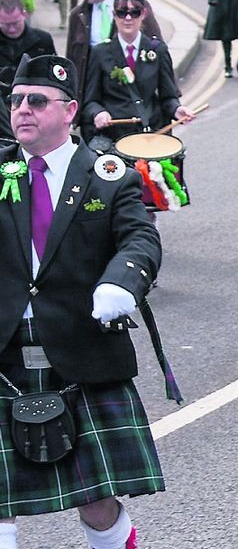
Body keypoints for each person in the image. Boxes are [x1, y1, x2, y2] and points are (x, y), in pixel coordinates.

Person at [0, 53, 163, 549]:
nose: (22, 110)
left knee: (96, 499)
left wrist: (122, 283)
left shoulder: (108, 175)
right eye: (15, 101)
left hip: (82, 345)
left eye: (35, 101)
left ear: (69, 111)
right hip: (6, 351)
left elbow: (140, 239)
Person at [81, 0, 195, 145]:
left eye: (135, 12)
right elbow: (90, 101)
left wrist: (177, 109)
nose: (128, 18)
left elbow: (168, 97)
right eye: (122, 12)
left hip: (152, 136)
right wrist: (98, 113)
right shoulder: (100, 53)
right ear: (114, 14)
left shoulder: (158, 50)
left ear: (144, 14)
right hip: (115, 138)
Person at [67, 0, 162, 95]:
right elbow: (71, 60)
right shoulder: (77, 15)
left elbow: (156, 47)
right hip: (92, 98)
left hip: (129, 97)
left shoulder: (136, 7)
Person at [0, 0, 56, 140]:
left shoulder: (43, 40)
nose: (12, 29)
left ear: (24, 14)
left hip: (33, 109)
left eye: (16, 23)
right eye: (6, 25)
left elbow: (54, 80)